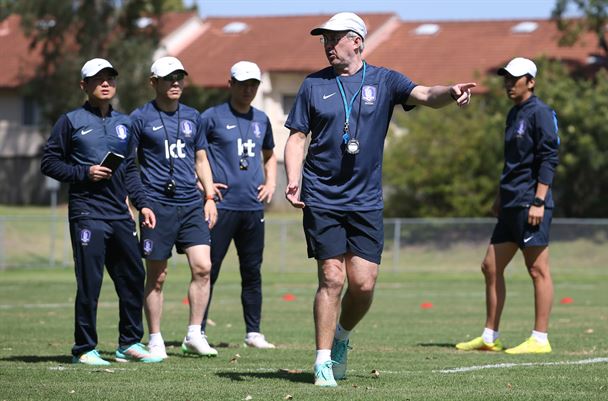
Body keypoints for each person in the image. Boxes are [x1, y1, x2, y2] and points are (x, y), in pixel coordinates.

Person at [283, 12, 475, 387]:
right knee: (331, 278)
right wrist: (292, 180)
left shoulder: (385, 80)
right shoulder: (311, 85)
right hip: (321, 195)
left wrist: (449, 93)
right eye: (324, 40)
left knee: (364, 284)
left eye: (334, 38)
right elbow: (295, 138)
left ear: (356, 41)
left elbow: (424, 94)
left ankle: (341, 337)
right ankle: (322, 361)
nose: (327, 45)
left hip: (365, 200)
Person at [41, 58, 163, 365]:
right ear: (84, 85)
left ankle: (129, 343)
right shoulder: (69, 121)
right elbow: (49, 163)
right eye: (97, 79)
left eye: (109, 78)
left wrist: (143, 203)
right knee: (90, 281)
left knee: (133, 277)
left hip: (120, 214)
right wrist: (85, 172)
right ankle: (84, 348)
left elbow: (131, 171)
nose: (105, 83)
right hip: (87, 213)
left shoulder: (126, 123)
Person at [455, 57, 559, 354]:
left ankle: (539, 339)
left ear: (531, 81)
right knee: (490, 266)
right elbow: (512, 162)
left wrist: (539, 200)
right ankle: (490, 337)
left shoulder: (541, 112)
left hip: (531, 203)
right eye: (506, 78)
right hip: (511, 203)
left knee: (538, 270)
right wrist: (500, 197)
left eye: (515, 78)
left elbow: (548, 158)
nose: (508, 83)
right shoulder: (514, 114)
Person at [129, 56, 218, 359]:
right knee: (157, 275)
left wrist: (209, 196)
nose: (176, 82)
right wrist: (137, 204)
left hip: (191, 204)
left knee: (204, 268)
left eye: (180, 77)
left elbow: (201, 159)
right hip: (157, 204)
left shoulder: (194, 116)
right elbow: (130, 165)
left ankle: (194, 334)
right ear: (154, 82)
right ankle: (155, 337)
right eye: (169, 78)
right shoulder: (139, 118)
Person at [198, 61, 277, 349]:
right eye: (243, 83)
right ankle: (198, 330)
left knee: (252, 271)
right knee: (209, 269)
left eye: (253, 84)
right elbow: (196, 155)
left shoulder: (262, 119)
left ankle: (253, 332)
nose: (248, 89)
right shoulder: (211, 117)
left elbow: (269, 154)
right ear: (229, 83)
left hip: (252, 208)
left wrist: (271, 183)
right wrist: (201, 185)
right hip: (220, 206)